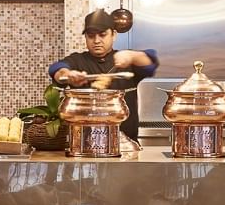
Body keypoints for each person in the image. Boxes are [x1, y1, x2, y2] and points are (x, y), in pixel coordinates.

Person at [48, 9, 159, 141]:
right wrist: (68, 74)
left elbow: (150, 63)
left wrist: (132, 56)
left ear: (114, 35)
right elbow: (56, 70)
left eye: (102, 35)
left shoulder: (125, 60)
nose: (96, 40)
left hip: (125, 142)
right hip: (85, 141)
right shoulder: (77, 60)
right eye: (91, 36)